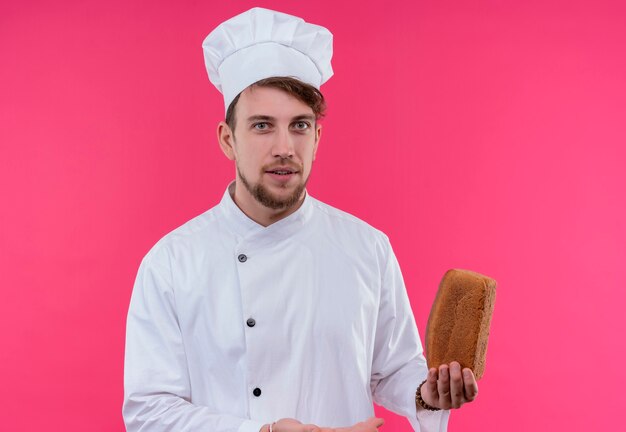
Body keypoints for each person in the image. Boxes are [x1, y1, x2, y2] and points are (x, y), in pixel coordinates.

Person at [123, 8, 478, 432]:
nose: (284, 147)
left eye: (300, 126)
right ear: (227, 139)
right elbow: (149, 412)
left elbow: (394, 368)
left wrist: (425, 393)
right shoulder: (170, 264)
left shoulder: (368, 249)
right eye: (261, 126)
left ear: (317, 138)